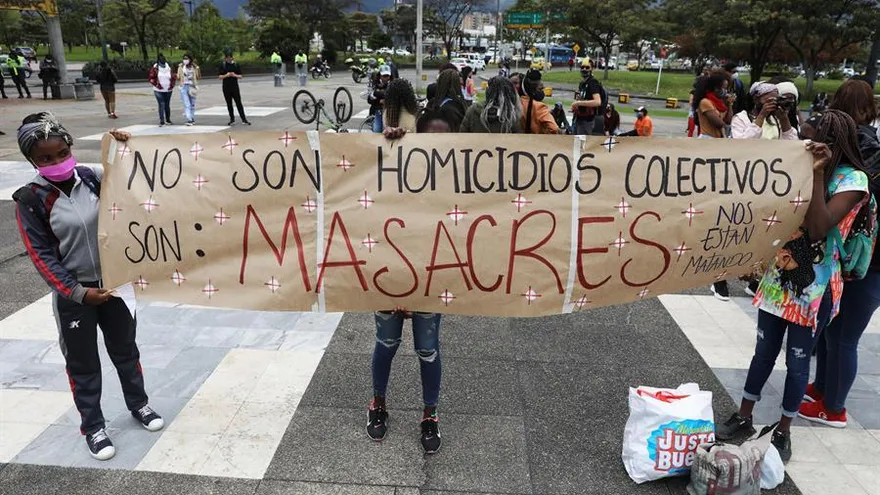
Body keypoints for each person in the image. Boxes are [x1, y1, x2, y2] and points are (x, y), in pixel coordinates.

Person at [716, 110, 871, 462]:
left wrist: (815, 174)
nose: (807, 146)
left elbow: (818, 226)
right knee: (763, 351)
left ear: (833, 145)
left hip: (814, 290)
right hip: (778, 280)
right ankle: (744, 415)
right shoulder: (801, 163)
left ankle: (783, 430)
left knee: (798, 362)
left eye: (814, 140)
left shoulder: (853, 180)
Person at [13, 112, 165, 461]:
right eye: (46, 158)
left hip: (115, 286)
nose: (57, 162)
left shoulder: (92, 178)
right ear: (32, 161)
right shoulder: (31, 199)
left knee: (126, 351)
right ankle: (93, 427)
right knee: (83, 364)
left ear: (71, 148)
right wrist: (79, 293)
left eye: (62, 153)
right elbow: (41, 257)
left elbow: (134, 179)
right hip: (75, 296)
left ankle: (139, 405)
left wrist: (124, 148)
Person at [799, 80, 880, 428]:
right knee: (834, 330)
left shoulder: (860, 154)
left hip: (868, 263)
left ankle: (834, 409)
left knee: (845, 336)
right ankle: (821, 388)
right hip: (859, 260)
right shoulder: (867, 145)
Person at [368, 111, 449, 455]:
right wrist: (383, 143)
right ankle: (378, 404)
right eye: (428, 139)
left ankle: (430, 414)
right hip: (390, 277)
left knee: (427, 349)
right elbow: (366, 195)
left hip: (431, 281)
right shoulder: (393, 167)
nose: (435, 148)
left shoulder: (455, 181)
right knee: (386, 342)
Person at [693, 70, 734, 139]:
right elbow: (719, 123)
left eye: (726, 88)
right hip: (707, 138)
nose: (726, 91)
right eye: (724, 88)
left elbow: (728, 121)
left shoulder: (721, 102)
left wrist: (729, 104)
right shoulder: (705, 102)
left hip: (718, 139)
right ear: (716, 88)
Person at [571, 59, 604, 136]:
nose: (584, 69)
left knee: (582, 144)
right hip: (578, 118)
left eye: (587, 67)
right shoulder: (582, 83)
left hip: (587, 121)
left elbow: (597, 102)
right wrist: (576, 105)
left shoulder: (593, 82)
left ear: (592, 68)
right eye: (582, 67)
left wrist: (579, 103)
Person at [520, 69, 558, 134]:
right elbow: (554, 128)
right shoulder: (540, 107)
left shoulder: (519, 102)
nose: (543, 87)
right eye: (540, 88)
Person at [219, 48, 250, 126]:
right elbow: (220, 76)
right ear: (225, 58)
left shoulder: (236, 65)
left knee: (238, 103)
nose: (228, 59)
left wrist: (234, 75)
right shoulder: (223, 65)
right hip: (226, 87)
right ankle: (232, 119)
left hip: (235, 86)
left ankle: (244, 119)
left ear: (232, 57)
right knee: (229, 103)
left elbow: (240, 76)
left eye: (230, 57)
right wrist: (227, 75)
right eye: (227, 58)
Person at [147, 53, 176, 127]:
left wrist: (172, 85)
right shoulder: (155, 68)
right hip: (158, 90)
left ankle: (168, 119)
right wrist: (157, 85)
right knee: (161, 104)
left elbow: (173, 77)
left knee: (167, 104)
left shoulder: (169, 68)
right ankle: (162, 121)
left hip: (168, 89)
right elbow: (151, 78)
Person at [177, 54, 200, 126]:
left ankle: (192, 118)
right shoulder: (181, 67)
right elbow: (178, 77)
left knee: (192, 104)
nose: (185, 60)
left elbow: (198, 76)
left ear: (190, 59)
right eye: (184, 58)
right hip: (184, 86)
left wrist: (197, 68)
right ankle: (189, 119)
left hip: (192, 86)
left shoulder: (194, 67)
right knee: (187, 104)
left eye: (187, 58)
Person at [368, 65, 392, 133]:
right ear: (380, 75)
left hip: (390, 111)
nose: (386, 78)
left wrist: (383, 97)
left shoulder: (392, 83)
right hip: (377, 110)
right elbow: (370, 99)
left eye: (387, 76)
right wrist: (379, 100)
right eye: (384, 75)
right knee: (377, 130)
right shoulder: (374, 84)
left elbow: (393, 96)